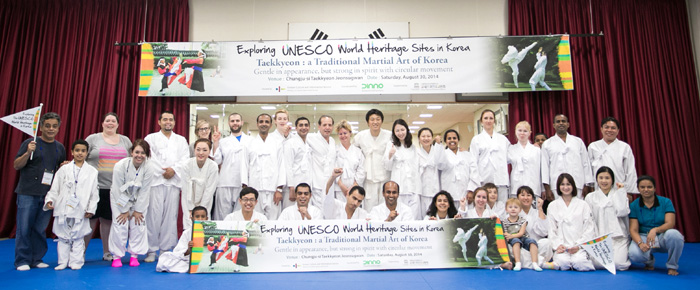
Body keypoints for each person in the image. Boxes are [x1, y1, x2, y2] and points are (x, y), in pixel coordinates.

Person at [13, 112, 67, 271]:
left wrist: (64, 167)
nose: (51, 129)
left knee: (39, 228)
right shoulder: (30, 143)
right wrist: (28, 152)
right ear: (41, 127)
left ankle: (37, 258)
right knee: (24, 228)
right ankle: (22, 260)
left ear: (58, 128)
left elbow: (59, 171)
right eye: (48, 126)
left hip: (47, 194)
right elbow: (17, 165)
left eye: (54, 126)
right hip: (27, 193)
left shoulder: (59, 147)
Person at [43, 139, 99, 270]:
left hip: (81, 207)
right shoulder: (64, 169)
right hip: (63, 206)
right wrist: (50, 200)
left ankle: (76, 261)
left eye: (83, 151)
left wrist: (91, 208)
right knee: (63, 236)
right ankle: (62, 261)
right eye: (77, 150)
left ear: (87, 153)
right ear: (72, 152)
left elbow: (94, 192)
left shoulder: (92, 171)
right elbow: (55, 187)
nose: (80, 153)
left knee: (78, 236)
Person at [84, 112, 132, 261]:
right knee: (90, 220)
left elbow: (131, 162)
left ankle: (107, 252)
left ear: (118, 124)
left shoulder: (125, 141)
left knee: (108, 221)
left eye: (113, 121)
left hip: (115, 189)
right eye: (107, 121)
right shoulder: (93, 139)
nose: (110, 123)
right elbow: (80, 156)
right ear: (102, 123)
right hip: (95, 187)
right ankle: (80, 252)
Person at [144, 111, 190, 262]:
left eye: (171, 119)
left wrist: (174, 170)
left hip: (174, 183)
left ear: (175, 123)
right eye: (165, 119)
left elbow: (185, 159)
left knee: (170, 218)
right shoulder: (150, 138)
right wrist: (164, 171)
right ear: (159, 122)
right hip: (156, 182)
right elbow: (149, 158)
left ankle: (164, 249)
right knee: (153, 216)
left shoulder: (181, 140)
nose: (168, 122)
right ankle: (151, 250)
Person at [109, 139, 155, 268]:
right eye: (137, 152)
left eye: (143, 153)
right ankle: (116, 256)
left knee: (138, 223)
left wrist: (138, 210)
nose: (140, 155)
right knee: (120, 224)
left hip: (139, 199)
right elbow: (117, 189)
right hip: (119, 199)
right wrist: (124, 210)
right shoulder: (120, 166)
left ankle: (134, 255)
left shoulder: (149, 167)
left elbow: (145, 190)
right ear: (131, 152)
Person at [628, 175, 684, 276]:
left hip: (662, 236)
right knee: (634, 254)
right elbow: (633, 230)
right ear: (638, 189)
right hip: (644, 237)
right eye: (642, 187)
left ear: (655, 188)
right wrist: (640, 243)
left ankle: (672, 266)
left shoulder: (666, 202)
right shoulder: (634, 205)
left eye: (649, 187)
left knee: (675, 235)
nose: (646, 190)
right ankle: (649, 261)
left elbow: (670, 223)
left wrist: (655, 230)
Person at [585, 166, 631, 271]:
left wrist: (621, 192)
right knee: (597, 264)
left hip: (618, 237)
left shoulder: (619, 194)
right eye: (601, 178)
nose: (604, 181)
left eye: (607, 178)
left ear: (612, 180)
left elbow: (622, 211)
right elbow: (588, 220)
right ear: (597, 179)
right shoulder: (590, 197)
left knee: (619, 264)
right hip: (599, 237)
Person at [547, 173, 596, 271]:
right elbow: (551, 229)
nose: (565, 187)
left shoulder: (583, 205)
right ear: (558, 187)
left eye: (568, 184)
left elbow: (589, 228)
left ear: (573, 186)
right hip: (562, 247)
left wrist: (579, 245)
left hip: (578, 246)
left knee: (580, 263)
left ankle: (580, 255)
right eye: (562, 184)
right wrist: (558, 245)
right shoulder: (552, 205)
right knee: (563, 264)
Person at [241, 114, 286, 220]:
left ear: (271, 125)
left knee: (273, 220)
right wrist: (246, 189)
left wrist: (279, 189)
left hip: (273, 190)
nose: (263, 124)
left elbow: (281, 166)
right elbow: (244, 166)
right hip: (254, 189)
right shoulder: (249, 144)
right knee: (255, 219)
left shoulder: (277, 143)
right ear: (257, 124)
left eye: (266, 122)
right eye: (261, 122)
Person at [541, 114, 594, 201]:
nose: (561, 123)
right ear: (554, 125)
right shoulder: (547, 144)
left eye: (563, 121)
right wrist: (547, 188)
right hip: (556, 184)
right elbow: (545, 167)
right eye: (558, 122)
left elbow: (585, 163)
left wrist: (587, 184)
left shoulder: (578, 141)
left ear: (568, 124)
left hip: (577, 183)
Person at [588, 117, 638, 202]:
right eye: (606, 127)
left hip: (619, 187)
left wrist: (629, 192)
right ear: (601, 129)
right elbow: (589, 170)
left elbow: (630, 171)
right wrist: (591, 187)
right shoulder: (593, 146)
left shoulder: (624, 147)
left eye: (613, 128)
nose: (609, 130)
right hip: (599, 188)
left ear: (618, 130)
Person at [213, 113, 252, 220]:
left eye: (237, 121)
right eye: (232, 121)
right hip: (225, 182)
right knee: (222, 215)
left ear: (242, 123)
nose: (235, 123)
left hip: (242, 183)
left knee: (240, 216)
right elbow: (216, 160)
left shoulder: (251, 141)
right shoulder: (223, 142)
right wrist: (215, 142)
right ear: (229, 123)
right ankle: (221, 237)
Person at [354, 109, 391, 211]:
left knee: (385, 206)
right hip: (369, 178)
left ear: (382, 121)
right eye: (372, 119)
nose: (375, 122)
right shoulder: (361, 136)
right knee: (369, 207)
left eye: (378, 119)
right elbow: (354, 152)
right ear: (367, 122)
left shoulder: (389, 135)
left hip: (385, 177)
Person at [383, 119, 421, 219]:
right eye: (397, 131)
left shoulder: (412, 147)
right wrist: (390, 155)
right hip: (399, 184)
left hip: (412, 186)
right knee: (399, 215)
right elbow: (387, 166)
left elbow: (417, 166)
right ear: (394, 133)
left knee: (413, 215)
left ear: (407, 130)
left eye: (402, 130)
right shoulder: (391, 145)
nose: (400, 133)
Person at [471, 110, 510, 202]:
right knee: (485, 207)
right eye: (486, 118)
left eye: (491, 118)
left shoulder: (503, 139)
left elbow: (511, 155)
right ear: (481, 121)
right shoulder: (476, 139)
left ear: (494, 121)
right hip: (484, 178)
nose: (488, 121)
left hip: (501, 179)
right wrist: (475, 182)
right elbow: (473, 162)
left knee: (502, 206)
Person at [156, 206, 208, 273]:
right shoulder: (187, 233)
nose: (200, 219)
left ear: (206, 218)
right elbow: (178, 252)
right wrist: (189, 250)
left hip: (206, 259)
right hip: (190, 260)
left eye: (203, 217)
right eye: (197, 216)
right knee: (165, 260)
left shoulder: (212, 231)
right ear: (192, 218)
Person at [180, 139, 218, 229]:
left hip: (205, 201)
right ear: (194, 150)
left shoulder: (213, 166)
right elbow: (185, 189)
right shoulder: (186, 165)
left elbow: (209, 190)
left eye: (205, 150)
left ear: (209, 151)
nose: (201, 153)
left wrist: (201, 210)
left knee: (202, 228)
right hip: (189, 199)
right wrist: (191, 208)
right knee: (189, 226)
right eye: (198, 149)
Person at [516, 186, 555, 270]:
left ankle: (532, 262)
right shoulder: (513, 212)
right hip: (522, 248)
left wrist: (540, 208)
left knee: (547, 243)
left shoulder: (538, 212)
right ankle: (540, 263)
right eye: (522, 195)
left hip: (537, 247)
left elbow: (544, 232)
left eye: (528, 195)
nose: (526, 198)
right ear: (517, 198)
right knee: (515, 250)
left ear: (533, 198)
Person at [441, 129, 480, 210]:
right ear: (445, 141)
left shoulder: (467, 155)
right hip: (449, 191)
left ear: (458, 140)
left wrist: (471, 190)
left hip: (465, 193)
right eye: (449, 138)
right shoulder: (443, 155)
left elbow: (474, 172)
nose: (452, 140)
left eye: (454, 138)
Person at [502, 198, 542, 271]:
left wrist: (512, 235)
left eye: (516, 207)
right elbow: (506, 234)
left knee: (532, 242)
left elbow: (521, 233)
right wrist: (509, 237)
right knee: (516, 242)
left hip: (522, 237)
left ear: (520, 210)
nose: (513, 209)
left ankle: (534, 263)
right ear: (506, 209)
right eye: (510, 207)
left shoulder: (523, 221)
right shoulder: (504, 222)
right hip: (512, 239)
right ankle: (518, 263)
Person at [306, 115, 337, 207]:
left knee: (330, 210)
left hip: (331, 183)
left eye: (330, 125)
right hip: (318, 183)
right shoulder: (311, 137)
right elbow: (299, 137)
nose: (327, 127)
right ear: (319, 126)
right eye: (324, 125)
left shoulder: (332, 141)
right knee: (318, 211)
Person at [416, 128, 448, 215]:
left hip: (435, 188)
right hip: (421, 190)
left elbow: (442, 165)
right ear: (419, 139)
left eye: (428, 136)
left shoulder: (437, 150)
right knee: (422, 215)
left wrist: (438, 144)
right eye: (423, 136)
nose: (426, 138)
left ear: (432, 138)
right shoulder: (416, 152)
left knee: (435, 215)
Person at [508, 121, 542, 198]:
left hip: (533, 185)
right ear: (515, 132)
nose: (522, 133)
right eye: (519, 130)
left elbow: (541, 170)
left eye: (525, 131)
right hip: (516, 184)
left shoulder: (536, 150)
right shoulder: (511, 149)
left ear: (529, 133)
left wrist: (543, 188)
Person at [334, 120, 366, 203]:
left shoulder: (357, 151)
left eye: (345, 133)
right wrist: (341, 185)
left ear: (350, 133)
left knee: (355, 211)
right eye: (340, 134)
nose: (343, 136)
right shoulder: (335, 151)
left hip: (356, 188)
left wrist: (354, 186)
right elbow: (333, 168)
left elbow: (361, 170)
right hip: (340, 189)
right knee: (341, 212)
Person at [284, 117, 313, 208]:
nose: (303, 127)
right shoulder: (290, 143)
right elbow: (287, 166)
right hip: (293, 185)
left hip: (306, 183)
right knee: (292, 213)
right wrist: (291, 187)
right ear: (296, 128)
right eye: (301, 125)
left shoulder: (308, 144)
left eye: (306, 125)